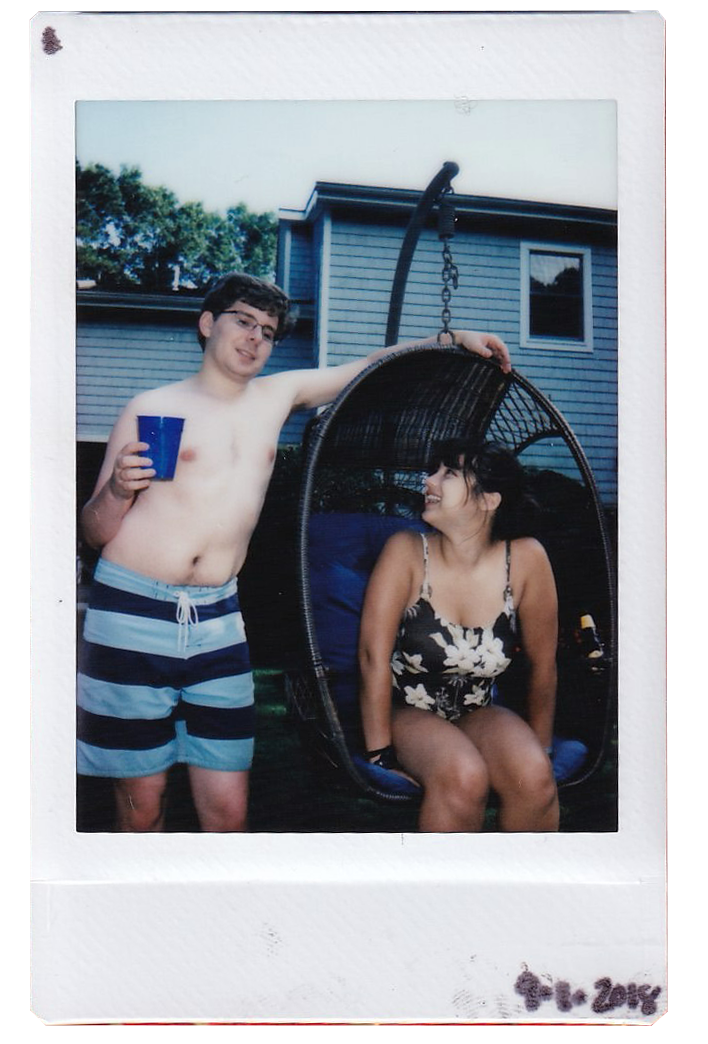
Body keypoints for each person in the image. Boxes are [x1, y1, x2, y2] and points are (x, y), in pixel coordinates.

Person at [77, 272, 511, 832]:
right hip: (132, 610)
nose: (255, 337)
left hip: (217, 619)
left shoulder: (275, 397)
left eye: (267, 330)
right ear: (207, 324)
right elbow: (94, 532)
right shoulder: (150, 406)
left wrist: (450, 341)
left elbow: (367, 367)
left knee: (228, 811)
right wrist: (117, 489)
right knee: (142, 805)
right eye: (243, 321)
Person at [358, 439, 559, 832]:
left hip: (477, 710)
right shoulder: (406, 552)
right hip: (405, 712)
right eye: (433, 470)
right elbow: (371, 658)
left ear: (489, 500)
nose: (428, 480)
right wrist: (379, 754)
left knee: (534, 778)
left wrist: (541, 745)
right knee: (463, 775)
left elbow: (543, 665)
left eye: (448, 473)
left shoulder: (526, 559)